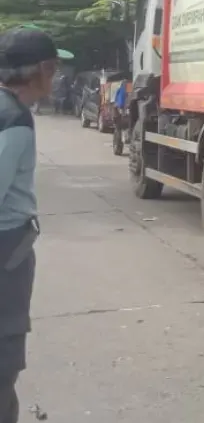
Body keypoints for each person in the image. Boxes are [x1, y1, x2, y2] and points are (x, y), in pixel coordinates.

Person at [0, 27, 60, 423]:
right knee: (4, 359)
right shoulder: (14, 122)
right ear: (42, 69)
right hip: (7, 254)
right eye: (54, 70)